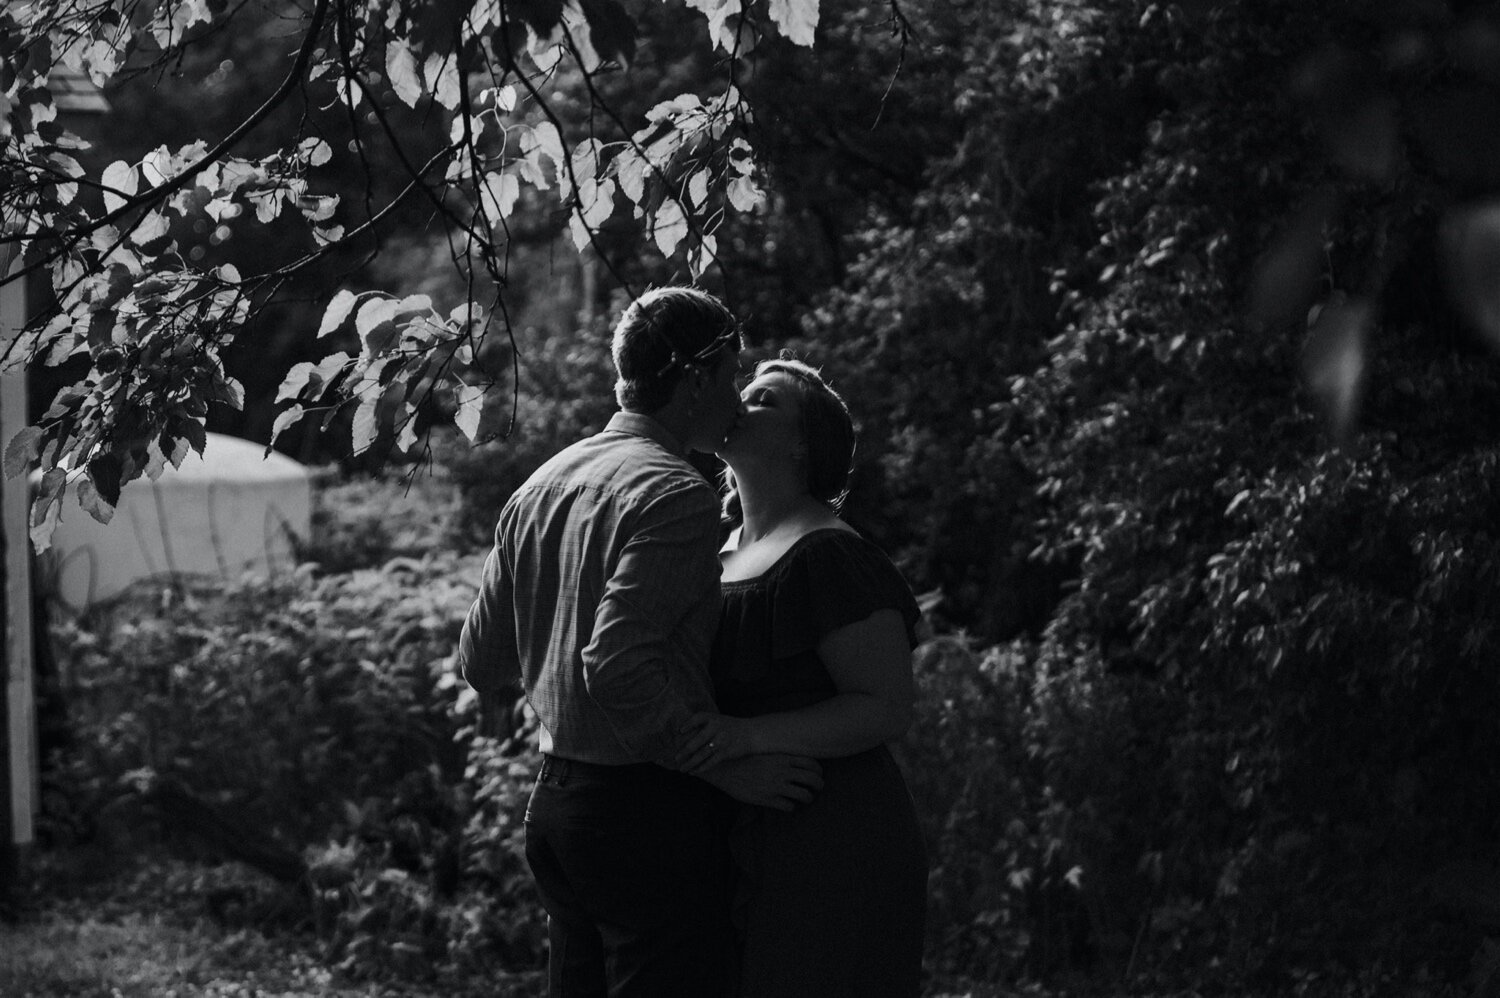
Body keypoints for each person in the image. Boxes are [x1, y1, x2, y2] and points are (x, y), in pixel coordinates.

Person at [457, 289, 824, 998]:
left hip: (557, 812)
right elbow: (615, 664)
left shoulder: (542, 483)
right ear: (695, 382)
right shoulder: (675, 495)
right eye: (732, 376)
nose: (739, 402)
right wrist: (721, 768)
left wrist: (508, 703)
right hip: (643, 822)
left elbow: (482, 661)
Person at [677, 356, 928, 998]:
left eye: (763, 399)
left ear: (801, 443)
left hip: (830, 839)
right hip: (736, 831)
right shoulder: (713, 553)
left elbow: (884, 707)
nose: (739, 403)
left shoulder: (832, 555)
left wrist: (746, 738)